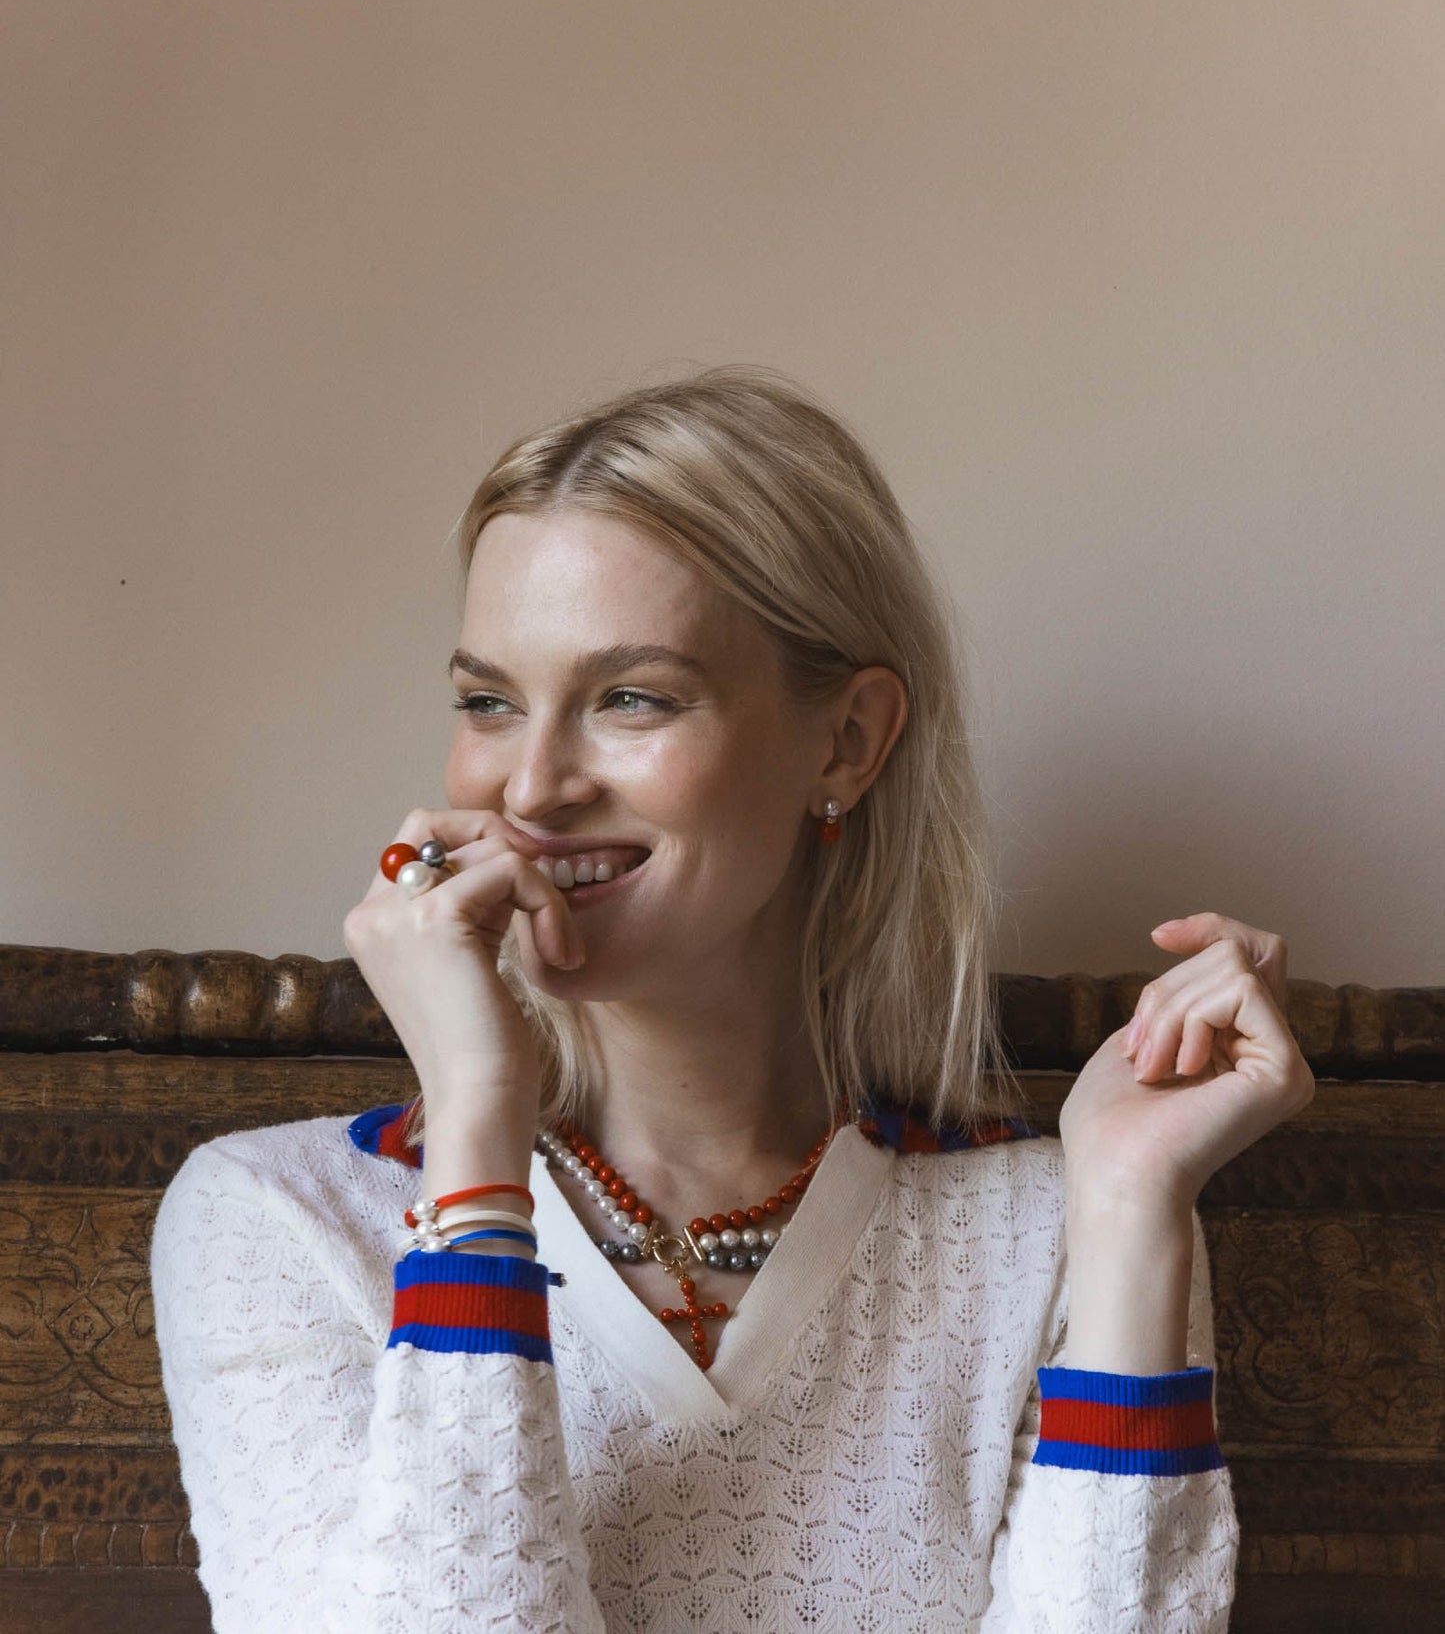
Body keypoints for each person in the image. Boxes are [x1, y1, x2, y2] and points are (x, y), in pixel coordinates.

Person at [150, 366, 1315, 1633]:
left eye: (631, 698)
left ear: (845, 743)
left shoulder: (1060, 1225)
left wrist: (1133, 1208)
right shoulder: (278, 1221)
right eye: (487, 702)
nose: (531, 787)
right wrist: (476, 1137)